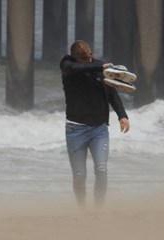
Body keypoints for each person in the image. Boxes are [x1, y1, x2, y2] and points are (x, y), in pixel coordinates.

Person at [60, 40, 130, 209]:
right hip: (75, 129)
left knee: (101, 170)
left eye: (88, 58)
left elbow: (112, 92)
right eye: (82, 59)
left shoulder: (101, 67)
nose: (86, 62)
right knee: (79, 175)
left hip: (99, 129)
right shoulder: (68, 65)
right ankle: (82, 208)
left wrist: (122, 115)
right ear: (74, 57)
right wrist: (101, 67)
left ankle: (99, 207)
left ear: (90, 53)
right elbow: (76, 68)